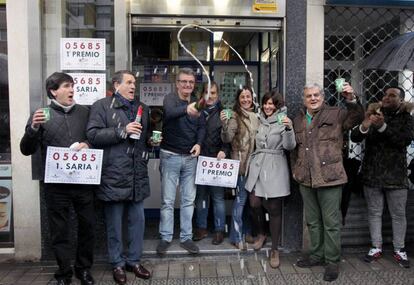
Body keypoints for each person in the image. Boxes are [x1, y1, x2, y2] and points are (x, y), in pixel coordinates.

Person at [20, 72, 96, 285]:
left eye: (72, 86)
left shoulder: (84, 112)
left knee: (88, 227)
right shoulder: (41, 114)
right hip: (56, 185)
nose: (72, 90)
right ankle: (64, 272)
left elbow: (94, 136)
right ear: (53, 91)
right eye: (66, 86)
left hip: (83, 181)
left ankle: (83, 269)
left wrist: (88, 144)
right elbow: (26, 149)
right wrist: (33, 128)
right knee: (59, 231)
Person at [291, 82, 363, 282]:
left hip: (330, 177)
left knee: (331, 223)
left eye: (316, 95)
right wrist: (296, 171)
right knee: (313, 222)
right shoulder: (297, 119)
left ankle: (332, 261)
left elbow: (357, 117)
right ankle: (316, 255)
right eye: (309, 96)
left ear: (323, 97)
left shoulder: (337, 113)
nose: (313, 98)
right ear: (304, 99)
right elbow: (294, 149)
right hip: (306, 178)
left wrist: (351, 99)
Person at [86, 70, 151, 285]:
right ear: (116, 85)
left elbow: (143, 138)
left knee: (137, 223)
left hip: (136, 175)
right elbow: (93, 135)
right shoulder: (102, 106)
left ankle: (134, 261)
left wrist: (151, 144)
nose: (134, 86)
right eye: (129, 82)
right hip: (113, 175)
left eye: (135, 82)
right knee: (114, 225)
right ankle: (117, 264)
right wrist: (122, 130)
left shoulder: (143, 108)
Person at [350, 86, 414, 269]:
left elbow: (404, 140)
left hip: (396, 176)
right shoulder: (373, 113)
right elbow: (355, 138)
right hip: (372, 174)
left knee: (398, 215)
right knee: (374, 213)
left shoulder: (406, 118)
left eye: (392, 95)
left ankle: (399, 249)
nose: (386, 98)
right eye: (385, 94)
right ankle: (376, 247)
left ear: (400, 100)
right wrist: (366, 125)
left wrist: (383, 127)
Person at [156, 68, 206, 256]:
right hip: (170, 155)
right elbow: (169, 113)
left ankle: (186, 237)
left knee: (188, 201)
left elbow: (202, 127)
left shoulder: (198, 103)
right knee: (167, 201)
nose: (187, 85)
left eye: (191, 82)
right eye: (184, 81)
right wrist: (186, 109)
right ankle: (166, 237)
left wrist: (199, 144)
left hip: (190, 158)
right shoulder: (170, 99)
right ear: (177, 83)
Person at [245, 91, 296, 268]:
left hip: (275, 166)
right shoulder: (258, 119)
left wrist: (289, 129)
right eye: (266, 103)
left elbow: (290, 146)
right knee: (254, 203)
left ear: (278, 105)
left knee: (274, 208)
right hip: (258, 166)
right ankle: (261, 233)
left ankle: (275, 249)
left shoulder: (284, 121)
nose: (268, 107)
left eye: (272, 104)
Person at [220, 86, 260, 250]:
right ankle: (236, 236)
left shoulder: (256, 116)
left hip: (256, 166)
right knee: (240, 200)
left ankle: (247, 231)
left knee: (251, 203)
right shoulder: (235, 116)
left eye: (248, 96)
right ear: (238, 99)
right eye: (242, 97)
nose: (245, 99)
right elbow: (228, 137)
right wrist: (225, 124)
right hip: (241, 166)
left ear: (252, 98)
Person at [193, 81, 229, 245]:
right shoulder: (195, 111)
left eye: (213, 93)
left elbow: (229, 136)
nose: (210, 96)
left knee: (217, 198)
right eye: (207, 92)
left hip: (216, 160)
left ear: (218, 95)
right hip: (199, 160)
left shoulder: (224, 113)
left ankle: (219, 230)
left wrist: (224, 150)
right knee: (200, 196)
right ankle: (201, 228)